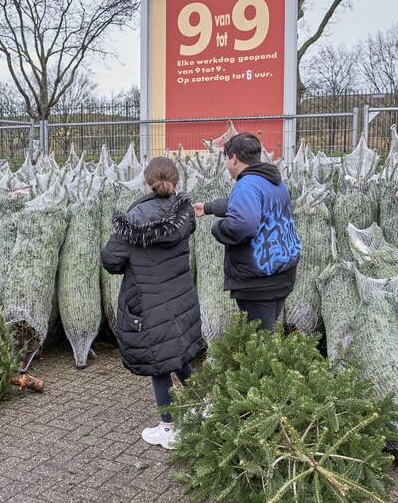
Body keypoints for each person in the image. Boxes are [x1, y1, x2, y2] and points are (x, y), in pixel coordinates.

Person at [102, 156, 203, 450]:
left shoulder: (135, 218)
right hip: (179, 294)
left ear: (147, 180)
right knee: (178, 351)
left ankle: (168, 428)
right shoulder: (183, 212)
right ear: (176, 180)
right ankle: (202, 404)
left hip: (148, 297)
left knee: (159, 361)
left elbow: (111, 259)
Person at [193, 132, 300, 331]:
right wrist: (209, 207)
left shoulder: (246, 185)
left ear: (234, 158)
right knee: (266, 336)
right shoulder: (272, 181)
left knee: (259, 347)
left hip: (257, 281)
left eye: (226, 158)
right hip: (280, 273)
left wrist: (217, 228)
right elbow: (254, 207)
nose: (226, 163)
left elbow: (243, 224)